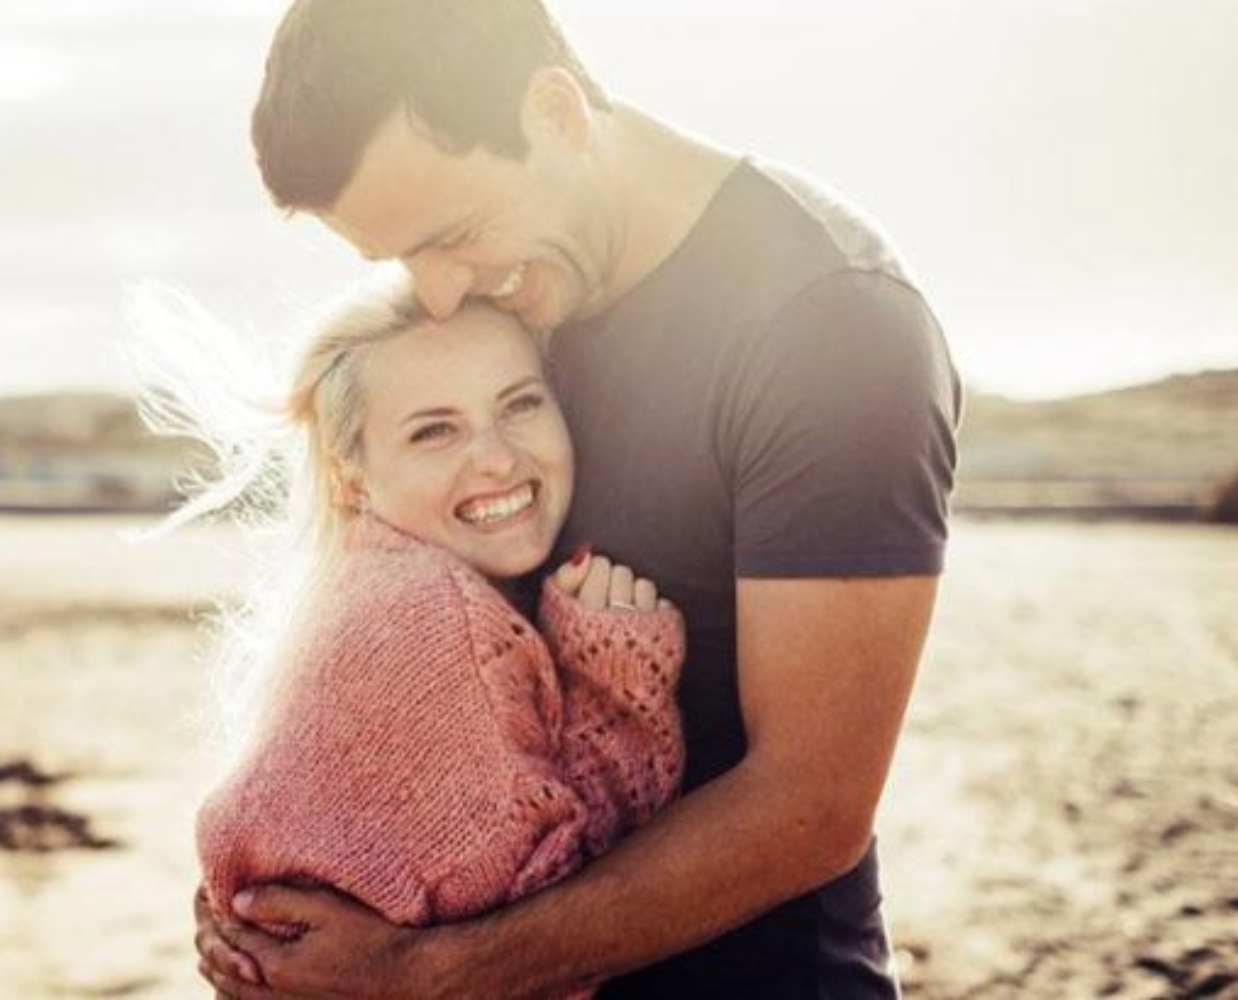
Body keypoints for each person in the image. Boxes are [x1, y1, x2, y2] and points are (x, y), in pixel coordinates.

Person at [195, 0, 962, 997]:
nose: (435, 295)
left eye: (452, 235)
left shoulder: (829, 329)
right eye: (398, 262)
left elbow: (810, 809)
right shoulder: (506, 292)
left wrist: (429, 974)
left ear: (556, 115)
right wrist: (264, 881)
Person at [167, 278, 689, 999]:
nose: (498, 459)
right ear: (351, 479)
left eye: (521, 404)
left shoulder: (359, 586)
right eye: (434, 430)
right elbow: (547, 934)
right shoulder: (438, 618)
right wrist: (614, 685)